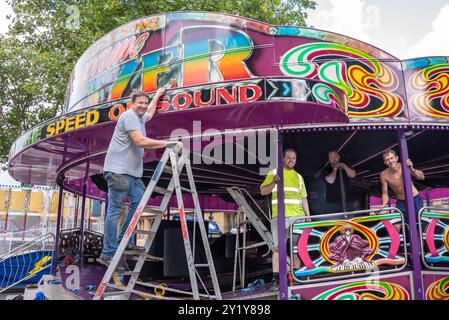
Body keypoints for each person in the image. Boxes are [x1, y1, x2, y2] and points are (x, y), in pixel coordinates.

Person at [98, 88, 182, 271]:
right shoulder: (129, 117)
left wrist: (159, 93)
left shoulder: (141, 117)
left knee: (139, 203)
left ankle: (123, 242)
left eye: (145, 102)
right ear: (132, 103)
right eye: (140, 103)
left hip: (133, 174)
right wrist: (167, 143)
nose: (143, 106)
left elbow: (150, 112)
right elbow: (139, 141)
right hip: (118, 172)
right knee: (115, 210)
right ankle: (108, 253)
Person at [260, 148, 311, 290]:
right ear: (283, 159)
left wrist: (307, 216)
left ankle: (297, 277)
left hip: (297, 218)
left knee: (296, 248)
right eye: (288, 157)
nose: (291, 160)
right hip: (279, 218)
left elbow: (303, 198)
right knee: (277, 249)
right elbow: (263, 191)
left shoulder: (299, 177)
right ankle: (276, 280)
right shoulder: (273, 173)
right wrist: (274, 182)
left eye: (293, 158)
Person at [379, 149, 425, 232]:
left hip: (414, 199)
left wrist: (412, 169)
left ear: (396, 158)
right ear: (385, 163)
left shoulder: (405, 166)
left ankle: (419, 245)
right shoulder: (384, 174)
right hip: (401, 203)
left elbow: (422, 177)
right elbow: (385, 193)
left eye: (391, 158)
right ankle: (398, 245)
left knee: (418, 228)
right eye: (387, 160)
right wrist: (383, 204)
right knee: (395, 226)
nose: (390, 161)